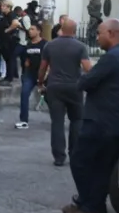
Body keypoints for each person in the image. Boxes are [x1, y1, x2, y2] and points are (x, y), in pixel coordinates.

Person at [63, 18, 119, 213]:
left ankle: (88, 207)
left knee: (80, 160)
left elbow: (86, 81)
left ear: (111, 33)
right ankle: (92, 205)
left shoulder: (114, 57)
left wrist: (87, 81)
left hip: (100, 120)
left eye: (99, 33)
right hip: (118, 120)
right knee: (102, 167)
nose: (96, 37)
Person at [38, 17, 93, 167]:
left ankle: (58, 156)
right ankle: (74, 153)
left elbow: (43, 67)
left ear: (61, 29)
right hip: (74, 87)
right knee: (76, 120)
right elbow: (88, 68)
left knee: (57, 122)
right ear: (75, 31)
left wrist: (40, 82)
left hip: (55, 87)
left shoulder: (50, 45)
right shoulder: (80, 47)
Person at [14, 23, 47, 130]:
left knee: (50, 98)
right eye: (29, 29)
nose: (30, 31)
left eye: (32, 29)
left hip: (44, 74)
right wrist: (26, 65)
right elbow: (27, 58)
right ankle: (24, 120)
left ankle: (63, 116)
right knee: (24, 94)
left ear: (39, 31)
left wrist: (46, 75)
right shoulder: (28, 44)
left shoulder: (45, 44)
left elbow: (49, 60)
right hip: (30, 75)